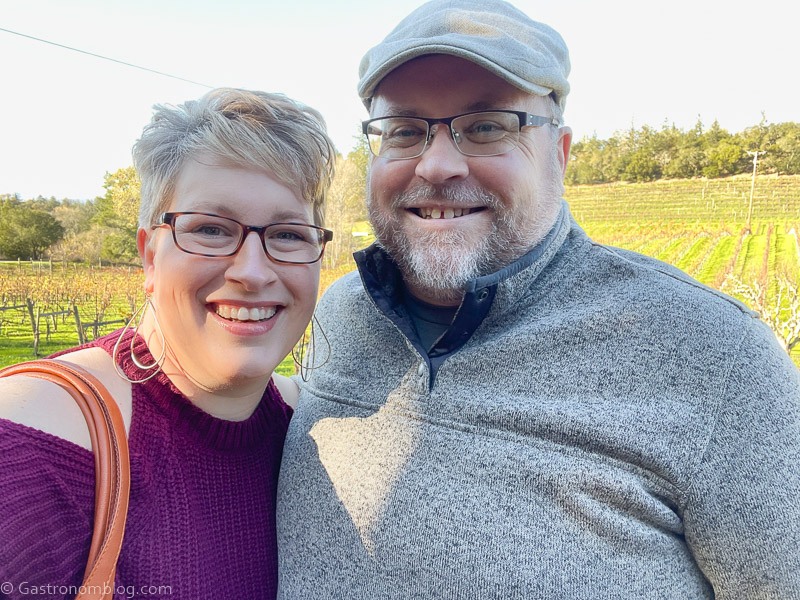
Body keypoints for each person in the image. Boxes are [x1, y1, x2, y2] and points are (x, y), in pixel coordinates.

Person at [275, 1, 800, 598]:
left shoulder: (716, 354)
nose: (438, 164)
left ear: (560, 152)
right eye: (404, 130)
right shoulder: (342, 312)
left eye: (487, 126)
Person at [0, 88, 335, 599]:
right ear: (150, 257)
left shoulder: (314, 432)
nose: (251, 270)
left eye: (289, 235)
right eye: (209, 229)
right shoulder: (30, 443)